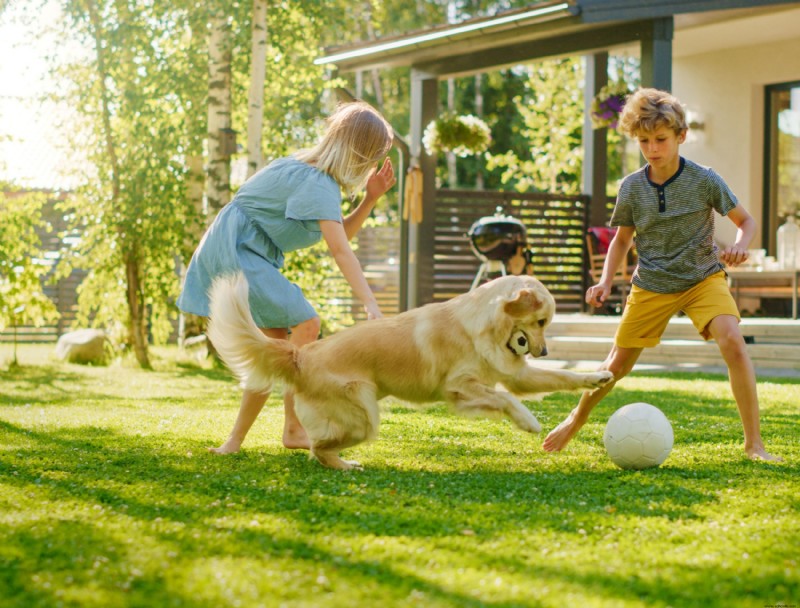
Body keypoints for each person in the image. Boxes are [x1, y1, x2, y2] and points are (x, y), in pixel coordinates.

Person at [542, 88, 781, 462]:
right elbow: (621, 241)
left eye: (661, 139)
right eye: (644, 141)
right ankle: (575, 419)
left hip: (703, 278)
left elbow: (745, 222)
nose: (653, 148)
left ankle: (755, 444)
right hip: (652, 284)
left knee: (733, 340)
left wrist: (740, 244)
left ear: (680, 136)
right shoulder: (632, 187)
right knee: (615, 367)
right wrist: (606, 280)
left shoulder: (704, 179)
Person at [177, 101, 396, 454]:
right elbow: (340, 252)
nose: (372, 165)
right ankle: (294, 429)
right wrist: (370, 302)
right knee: (306, 321)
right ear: (360, 152)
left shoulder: (314, 176)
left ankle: (234, 442)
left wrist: (369, 200)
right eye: (373, 156)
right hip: (237, 250)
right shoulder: (318, 183)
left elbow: (338, 239)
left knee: (275, 349)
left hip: (239, 249)